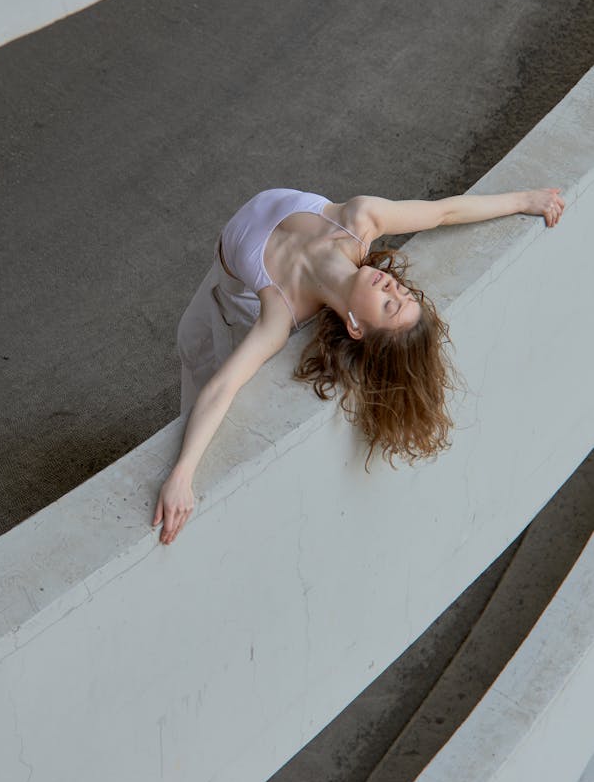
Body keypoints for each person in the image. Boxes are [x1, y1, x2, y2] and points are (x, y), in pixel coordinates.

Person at [153, 185, 565, 544]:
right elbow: (444, 211)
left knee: (198, 357)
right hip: (219, 272)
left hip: (233, 300)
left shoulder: (278, 313)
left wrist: (182, 474)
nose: (392, 285)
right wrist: (525, 200)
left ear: (355, 326)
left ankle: (186, 450)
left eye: (389, 305)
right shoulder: (359, 219)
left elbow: (224, 386)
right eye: (403, 293)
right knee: (188, 339)